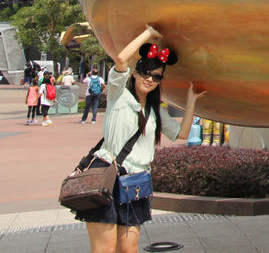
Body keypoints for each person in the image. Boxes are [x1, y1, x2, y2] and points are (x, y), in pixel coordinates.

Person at [72, 24, 204, 253]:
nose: (149, 79)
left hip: (136, 183)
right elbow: (121, 58)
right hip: (108, 175)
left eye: (156, 76)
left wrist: (191, 100)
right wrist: (148, 34)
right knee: (105, 248)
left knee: (129, 248)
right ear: (135, 73)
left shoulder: (155, 111)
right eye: (145, 72)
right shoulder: (119, 95)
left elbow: (182, 134)